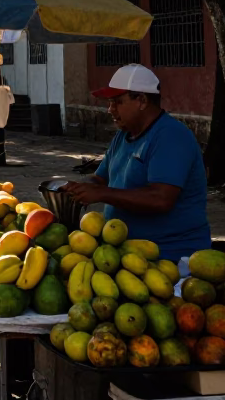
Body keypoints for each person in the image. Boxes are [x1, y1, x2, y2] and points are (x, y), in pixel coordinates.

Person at [62, 64, 211, 265]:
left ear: (141, 100)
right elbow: (100, 178)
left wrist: (102, 194)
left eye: (117, 102)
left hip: (171, 257)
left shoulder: (170, 136)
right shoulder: (123, 135)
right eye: (110, 102)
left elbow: (161, 198)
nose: (110, 109)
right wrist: (79, 188)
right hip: (126, 253)